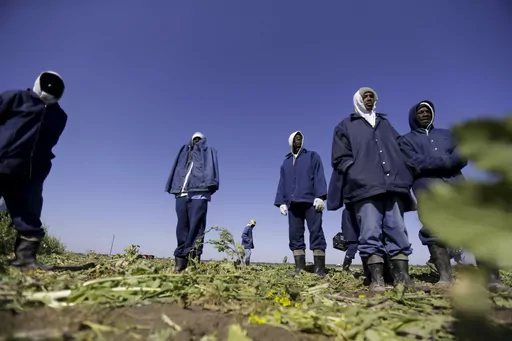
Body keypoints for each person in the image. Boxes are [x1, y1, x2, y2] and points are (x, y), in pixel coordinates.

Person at [331, 87, 415, 293]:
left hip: (391, 185)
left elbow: (402, 147)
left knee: (397, 228)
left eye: (372, 97)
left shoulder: (385, 124)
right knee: (370, 231)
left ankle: (402, 276)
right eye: (365, 96)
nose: (369, 99)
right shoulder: (345, 125)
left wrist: (403, 169)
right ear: (357, 100)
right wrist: (356, 171)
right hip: (363, 187)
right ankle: (376, 278)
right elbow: (340, 158)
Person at [0, 71, 67, 269]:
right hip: (3, 161)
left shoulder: (59, 116)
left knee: (28, 215)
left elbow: (49, 142)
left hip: (31, 172)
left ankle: (25, 258)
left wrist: (41, 166)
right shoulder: (15, 97)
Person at [399, 100, 468, 288]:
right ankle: (445, 277)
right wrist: (447, 162)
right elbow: (414, 162)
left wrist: (435, 163)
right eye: (420, 111)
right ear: (414, 116)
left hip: (457, 187)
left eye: (427, 111)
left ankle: (492, 280)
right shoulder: (405, 140)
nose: (424, 113)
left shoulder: (448, 135)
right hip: (427, 190)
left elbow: (462, 156)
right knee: (434, 230)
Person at [274, 131, 328, 277]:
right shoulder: (286, 162)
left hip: (311, 202)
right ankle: (300, 268)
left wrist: (321, 196)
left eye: (301, 138)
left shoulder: (312, 156)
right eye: (296, 138)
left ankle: (319, 269)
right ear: (291, 141)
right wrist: (281, 202)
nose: (299, 140)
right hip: (293, 204)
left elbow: (319, 175)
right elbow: (282, 183)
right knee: (295, 235)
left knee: (316, 232)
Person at [165, 132, 219, 273]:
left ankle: (194, 260)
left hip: (199, 193)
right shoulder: (184, 152)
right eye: (194, 139)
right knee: (182, 227)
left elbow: (212, 169)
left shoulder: (208, 151)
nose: (196, 141)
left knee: (196, 228)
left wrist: (209, 187)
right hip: (181, 193)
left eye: (199, 139)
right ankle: (180, 261)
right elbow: (176, 170)